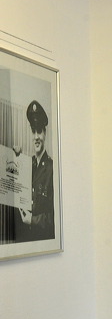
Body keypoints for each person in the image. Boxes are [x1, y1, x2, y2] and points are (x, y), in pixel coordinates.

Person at [15, 100, 55, 242]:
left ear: (45, 133)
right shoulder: (26, 165)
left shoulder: (52, 169)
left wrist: (33, 220)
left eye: (39, 131)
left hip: (42, 242)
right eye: (33, 131)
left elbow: (55, 218)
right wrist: (14, 158)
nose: (36, 136)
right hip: (24, 239)